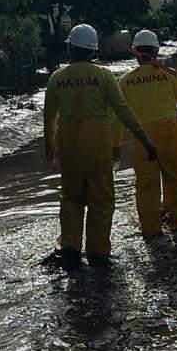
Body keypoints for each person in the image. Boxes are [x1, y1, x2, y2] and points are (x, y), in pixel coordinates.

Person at [43, 23, 157, 268]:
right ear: (93, 51)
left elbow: (49, 115)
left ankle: (71, 249)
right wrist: (144, 139)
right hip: (97, 144)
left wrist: (49, 143)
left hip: (69, 144)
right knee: (101, 201)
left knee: (71, 198)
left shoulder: (57, 78)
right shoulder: (104, 76)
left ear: (70, 48)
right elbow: (122, 110)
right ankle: (98, 253)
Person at [114, 29, 177, 238]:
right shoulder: (170, 74)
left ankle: (151, 231)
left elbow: (119, 116)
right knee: (175, 179)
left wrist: (116, 145)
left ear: (135, 52)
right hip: (171, 132)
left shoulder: (125, 80)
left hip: (143, 137)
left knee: (147, 185)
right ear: (156, 51)